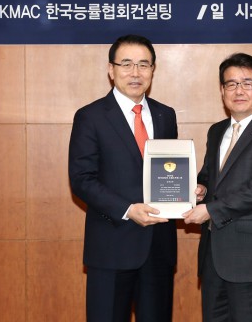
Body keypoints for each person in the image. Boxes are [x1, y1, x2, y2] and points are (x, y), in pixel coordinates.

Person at [69, 34, 178, 322]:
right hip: (111, 247)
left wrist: (187, 192)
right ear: (111, 69)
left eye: (144, 64)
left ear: (153, 70)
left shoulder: (166, 115)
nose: (135, 72)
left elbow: (169, 171)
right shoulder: (90, 116)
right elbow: (82, 179)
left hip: (158, 248)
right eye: (126, 64)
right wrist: (128, 209)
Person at [183, 52, 252, 322]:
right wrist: (201, 188)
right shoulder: (216, 131)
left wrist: (210, 210)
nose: (239, 91)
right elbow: (210, 176)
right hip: (214, 259)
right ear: (222, 91)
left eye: (247, 83)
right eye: (231, 84)